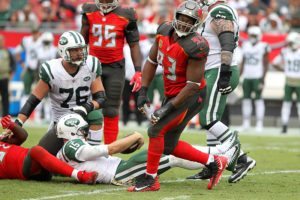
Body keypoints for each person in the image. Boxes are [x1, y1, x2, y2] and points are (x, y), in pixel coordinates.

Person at [132, 1, 229, 192]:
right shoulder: (163, 31)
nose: (184, 23)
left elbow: (192, 86)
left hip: (190, 96)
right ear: (175, 16)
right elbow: (152, 61)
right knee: (168, 145)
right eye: (182, 18)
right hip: (173, 92)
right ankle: (213, 162)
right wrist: (143, 90)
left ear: (197, 23)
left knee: (155, 130)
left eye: (189, 20)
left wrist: (166, 108)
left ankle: (150, 179)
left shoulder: (197, 45)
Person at [187, 0, 256, 183]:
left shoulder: (220, 10)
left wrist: (224, 70)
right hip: (214, 70)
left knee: (207, 118)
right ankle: (212, 165)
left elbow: (227, 40)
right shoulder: (215, 11)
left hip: (219, 69)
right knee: (210, 118)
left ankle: (242, 159)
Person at [13, 30, 106, 156]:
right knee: (42, 161)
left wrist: (87, 107)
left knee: (96, 115)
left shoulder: (91, 64)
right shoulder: (52, 70)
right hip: (60, 122)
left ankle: (94, 155)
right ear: (64, 51)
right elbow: (33, 100)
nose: (80, 53)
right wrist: (18, 123)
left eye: (81, 49)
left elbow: (101, 98)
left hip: (84, 118)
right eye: (75, 50)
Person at [80, 0, 142, 144]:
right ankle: (84, 146)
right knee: (86, 106)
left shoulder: (126, 15)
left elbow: (134, 45)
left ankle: (109, 152)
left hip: (115, 67)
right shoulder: (89, 11)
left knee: (111, 109)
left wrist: (138, 71)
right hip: (92, 66)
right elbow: (82, 41)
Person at [0, 115, 98, 184]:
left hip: (37, 161)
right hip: (25, 169)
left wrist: (12, 125)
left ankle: (92, 157)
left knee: (63, 126)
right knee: (36, 150)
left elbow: (23, 136)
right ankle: (81, 176)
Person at [240, 26, 270, 132]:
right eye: (251, 35)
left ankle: (259, 123)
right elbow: (243, 62)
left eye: (254, 35)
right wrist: (240, 76)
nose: (252, 37)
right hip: (247, 76)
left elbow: (266, 63)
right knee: (246, 100)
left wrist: (263, 78)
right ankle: (246, 123)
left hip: (257, 76)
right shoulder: (245, 45)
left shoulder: (263, 46)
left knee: (258, 100)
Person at [272, 32, 300, 134]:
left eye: (291, 42)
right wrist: (284, 70)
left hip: (292, 80)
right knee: (287, 104)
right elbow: (275, 63)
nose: (289, 44)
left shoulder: (285, 52)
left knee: (290, 104)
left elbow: (275, 63)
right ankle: (284, 125)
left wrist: (284, 70)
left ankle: (284, 126)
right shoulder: (285, 52)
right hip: (291, 80)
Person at [14, 24, 41, 107]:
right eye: (33, 32)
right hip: (28, 69)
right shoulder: (26, 40)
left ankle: (39, 115)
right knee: (26, 91)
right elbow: (16, 51)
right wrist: (22, 64)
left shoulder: (43, 41)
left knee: (40, 92)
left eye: (36, 32)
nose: (35, 34)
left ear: (39, 33)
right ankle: (23, 112)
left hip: (39, 69)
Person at [0, 35, 16, 116]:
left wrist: (11, 74)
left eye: (2, 40)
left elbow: (13, 64)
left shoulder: (7, 52)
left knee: (5, 97)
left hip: (4, 77)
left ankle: (5, 115)